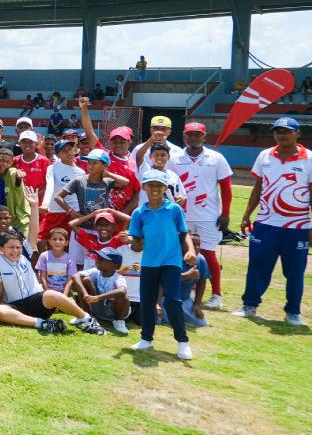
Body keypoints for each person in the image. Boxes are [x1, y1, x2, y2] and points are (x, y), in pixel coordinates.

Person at [233, 117, 312, 325]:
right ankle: (249, 305)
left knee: (295, 271)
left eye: (287, 131)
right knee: (257, 265)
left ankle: (293, 312)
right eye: (278, 131)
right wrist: (247, 215)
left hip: (297, 227)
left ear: (297, 134)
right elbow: (258, 187)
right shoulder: (265, 156)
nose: (282, 135)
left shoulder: (311, 160)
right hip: (266, 224)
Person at [128, 169, 196, 359]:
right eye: (151, 185)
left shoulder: (174, 209)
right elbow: (139, 243)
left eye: (159, 185)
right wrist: (131, 239)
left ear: (166, 188)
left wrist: (190, 250)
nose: (155, 189)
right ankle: (146, 339)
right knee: (147, 302)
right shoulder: (139, 213)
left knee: (173, 300)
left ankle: (183, 341)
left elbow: (184, 233)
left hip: (171, 261)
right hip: (149, 263)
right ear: (144, 188)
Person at [0, 232, 106, 335]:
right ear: (1, 249)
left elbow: (33, 233)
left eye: (18, 247)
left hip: (36, 301)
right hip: (16, 307)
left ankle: (87, 320)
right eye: (11, 247)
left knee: (51, 294)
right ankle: (44, 324)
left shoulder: (25, 256)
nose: (15, 251)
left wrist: (34, 207)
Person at [168, 122, 233, 310]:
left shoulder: (216, 158)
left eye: (197, 135)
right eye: (190, 135)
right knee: (182, 253)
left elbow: (226, 187)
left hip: (209, 215)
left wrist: (226, 212)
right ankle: (191, 289)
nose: (193, 138)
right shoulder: (175, 157)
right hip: (183, 215)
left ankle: (216, 294)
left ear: (204, 137)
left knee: (209, 254)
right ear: (184, 136)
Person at [70, 251, 130, 334]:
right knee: (85, 280)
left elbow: (122, 291)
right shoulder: (95, 271)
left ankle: (118, 321)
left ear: (115, 265)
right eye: (97, 258)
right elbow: (75, 276)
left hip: (112, 311)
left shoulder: (118, 278)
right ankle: (85, 316)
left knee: (123, 297)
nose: (97, 261)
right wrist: (86, 294)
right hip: (98, 307)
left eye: (102, 259)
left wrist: (98, 298)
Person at [36, 228, 76, 295]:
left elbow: (70, 280)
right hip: (47, 291)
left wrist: (64, 295)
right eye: (54, 239)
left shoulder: (70, 258)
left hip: (63, 292)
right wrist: (48, 293)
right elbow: (43, 278)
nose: (57, 242)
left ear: (66, 243)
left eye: (61, 239)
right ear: (50, 241)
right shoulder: (44, 256)